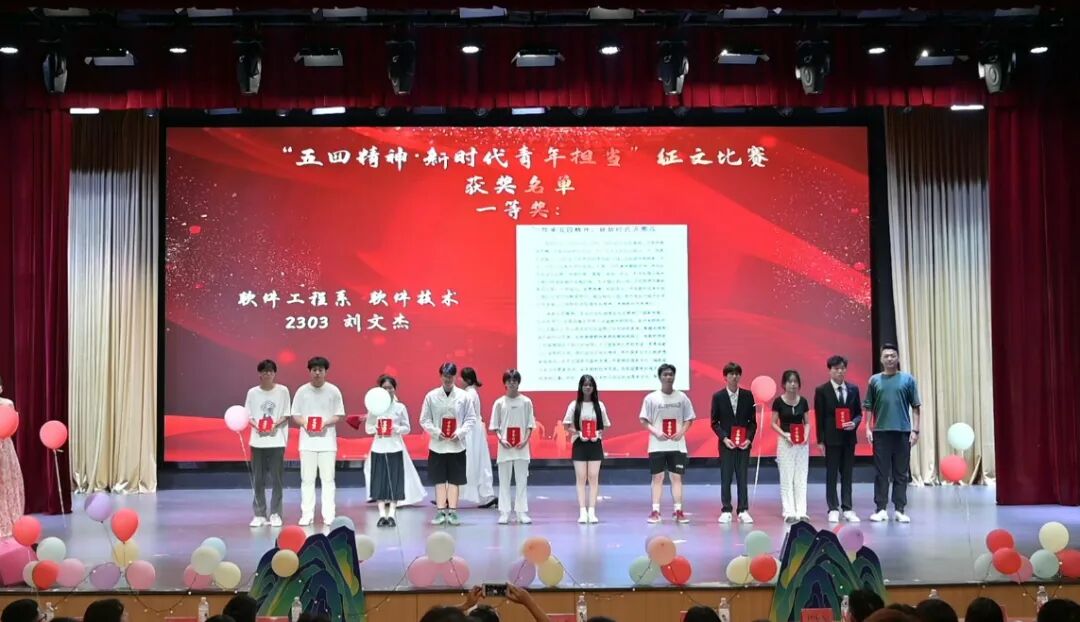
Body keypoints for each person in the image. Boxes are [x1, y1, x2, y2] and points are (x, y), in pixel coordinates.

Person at [864, 343, 922, 523]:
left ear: (898, 358)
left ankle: (899, 509)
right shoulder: (874, 380)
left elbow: (916, 407)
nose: (889, 359)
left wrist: (915, 430)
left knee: (901, 473)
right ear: (881, 359)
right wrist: (867, 427)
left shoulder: (908, 380)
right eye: (886, 356)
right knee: (881, 473)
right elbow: (868, 406)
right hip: (881, 432)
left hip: (902, 432)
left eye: (892, 356)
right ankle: (881, 509)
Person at [364, 374, 427, 523]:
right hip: (378, 447)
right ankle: (381, 515)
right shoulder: (374, 408)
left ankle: (392, 514)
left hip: (395, 447)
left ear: (395, 389)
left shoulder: (400, 407)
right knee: (379, 482)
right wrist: (376, 429)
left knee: (395, 481)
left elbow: (407, 428)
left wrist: (396, 428)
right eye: (384, 388)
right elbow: (368, 428)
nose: (387, 391)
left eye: (390, 388)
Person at [291, 356, 345, 526]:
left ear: (325, 372)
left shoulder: (333, 391)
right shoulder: (302, 391)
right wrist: (306, 424)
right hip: (307, 443)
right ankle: (307, 515)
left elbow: (339, 414)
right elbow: (295, 415)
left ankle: (329, 515)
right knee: (307, 480)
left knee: (328, 480)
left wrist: (325, 423)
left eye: (320, 370)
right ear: (310, 371)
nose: (317, 373)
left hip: (327, 443)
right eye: (314, 370)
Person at [421, 362, 477, 526]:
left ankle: (452, 512)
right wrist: (436, 432)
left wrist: (459, 433)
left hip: (456, 445)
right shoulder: (431, 396)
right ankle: (440, 512)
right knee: (439, 480)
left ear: (454, 376)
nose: (447, 379)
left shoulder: (464, 396)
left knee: (454, 480)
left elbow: (471, 418)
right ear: (440, 376)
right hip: (437, 445)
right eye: (445, 376)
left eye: (450, 376)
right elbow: (424, 419)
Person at [639, 363, 696, 524]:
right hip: (657, 445)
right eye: (665, 374)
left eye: (671, 374)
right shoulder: (651, 398)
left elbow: (689, 418)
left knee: (676, 478)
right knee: (657, 477)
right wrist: (656, 432)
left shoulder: (682, 397)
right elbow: (643, 420)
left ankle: (678, 510)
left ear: (674, 376)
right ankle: (655, 511)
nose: (668, 377)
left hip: (677, 445)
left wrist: (681, 432)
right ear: (660, 377)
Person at [814, 355, 863, 523]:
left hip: (849, 438)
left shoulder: (853, 389)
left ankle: (847, 508)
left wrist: (854, 423)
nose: (840, 371)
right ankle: (833, 508)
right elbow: (819, 417)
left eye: (842, 368)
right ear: (830, 370)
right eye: (836, 369)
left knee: (847, 474)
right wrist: (820, 441)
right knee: (832, 474)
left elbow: (858, 413)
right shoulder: (822, 390)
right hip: (831, 438)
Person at [244, 360, 291, 528]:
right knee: (258, 479)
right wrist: (257, 426)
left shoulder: (283, 391)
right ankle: (259, 514)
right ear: (260, 374)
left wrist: (274, 425)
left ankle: (276, 513)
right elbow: (248, 416)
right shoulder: (252, 393)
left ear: (274, 373)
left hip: (277, 441)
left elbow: (286, 414)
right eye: (264, 371)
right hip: (257, 442)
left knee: (277, 479)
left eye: (271, 371)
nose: (268, 374)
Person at [710, 362, 757, 524]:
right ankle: (726, 509)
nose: (734, 377)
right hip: (726, 444)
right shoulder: (718, 396)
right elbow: (714, 422)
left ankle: (743, 510)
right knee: (726, 477)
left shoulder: (748, 395)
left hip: (744, 444)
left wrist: (749, 439)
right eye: (731, 374)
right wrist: (724, 438)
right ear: (725, 377)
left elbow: (753, 422)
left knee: (743, 477)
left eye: (737, 374)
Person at [489, 369, 536, 524]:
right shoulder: (499, 403)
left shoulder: (526, 402)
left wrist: (525, 440)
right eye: (509, 381)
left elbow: (530, 425)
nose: (512, 383)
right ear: (505, 383)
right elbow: (495, 426)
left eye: (514, 380)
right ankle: (504, 512)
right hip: (505, 448)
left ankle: (521, 512)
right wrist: (501, 439)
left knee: (522, 481)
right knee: (504, 482)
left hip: (522, 448)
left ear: (518, 383)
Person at [563, 374, 611, 523]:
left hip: (595, 443)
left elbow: (605, 424)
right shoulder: (574, 405)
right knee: (581, 478)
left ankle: (592, 511)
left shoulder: (599, 405)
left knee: (593, 477)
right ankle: (582, 511)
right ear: (581, 387)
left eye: (590, 385)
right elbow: (566, 425)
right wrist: (578, 432)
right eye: (585, 385)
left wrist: (598, 433)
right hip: (579, 443)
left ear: (594, 387)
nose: (588, 387)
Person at [771, 370, 810, 523]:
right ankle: (788, 511)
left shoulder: (803, 401)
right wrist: (784, 435)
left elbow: (807, 423)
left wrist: (806, 436)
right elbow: (773, 423)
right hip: (785, 441)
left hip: (801, 443)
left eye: (795, 381)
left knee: (801, 477)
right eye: (789, 381)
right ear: (784, 384)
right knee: (787, 477)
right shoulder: (778, 402)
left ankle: (802, 511)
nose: (793, 384)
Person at [459, 367, 497, 508]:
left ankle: (485, 496)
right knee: (478, 463)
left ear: (467, 380)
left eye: (461, 378)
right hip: (474, 431)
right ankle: (485, 495)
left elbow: (464, 414)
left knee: (471, 463)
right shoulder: (471, 393)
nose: (459, 380)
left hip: (471, 432)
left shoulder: (469, 394)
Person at [0, 375, 25, 539]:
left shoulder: (8, 403)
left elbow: (11, 425)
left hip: (5, 447)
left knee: (7, 480)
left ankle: (9, 519)